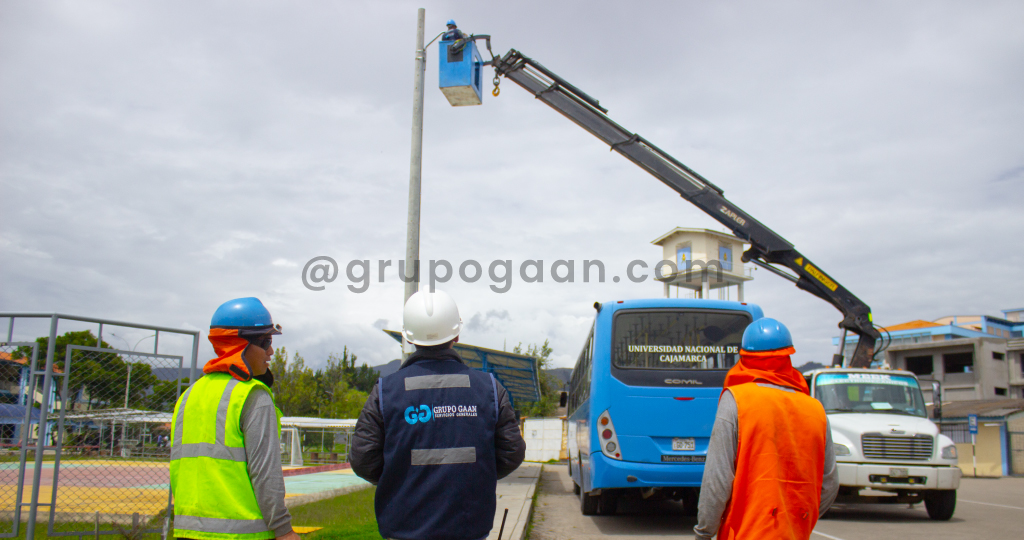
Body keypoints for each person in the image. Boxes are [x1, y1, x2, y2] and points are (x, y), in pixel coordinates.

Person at [351, 290, 526, 540]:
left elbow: (363, 459)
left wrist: (400, 477)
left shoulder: (385, 392)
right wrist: (476, 473)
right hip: (469, 526)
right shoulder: (489, 388)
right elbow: (512, 452)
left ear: (407, 337)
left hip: (404, 527)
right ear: (456, 334)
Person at [694, 318, 838, 540]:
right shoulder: (815, 409)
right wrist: (798, 519)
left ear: (744, 356)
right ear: (788, 356)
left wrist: (704, 532)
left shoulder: (736, 400)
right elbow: (829, 483)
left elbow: (718, 479)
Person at [170, 297, 299, 540]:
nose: (271, 351)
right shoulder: (252, 395)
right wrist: (284, 530)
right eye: (266, 342)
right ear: (240, 344)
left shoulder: (189, 396)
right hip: (242, 533)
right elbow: (265, 473)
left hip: (188, 530)